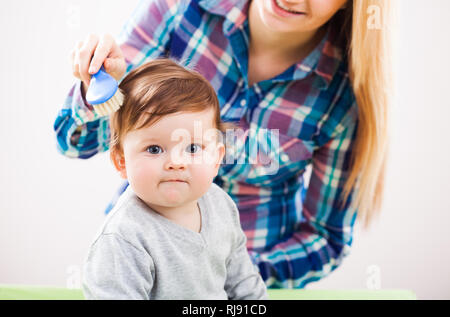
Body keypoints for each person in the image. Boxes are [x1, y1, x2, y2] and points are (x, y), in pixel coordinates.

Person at [55, 0, 392, 288]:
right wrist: (100, 92)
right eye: (158, 149)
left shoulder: (343, 97)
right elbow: (75, 142)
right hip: (141, 269)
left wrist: (233, 273)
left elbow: (324, 237)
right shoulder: (181, 9)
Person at [82, 58, 268, 300]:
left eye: (192, 148)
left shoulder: (220, 205)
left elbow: (244, 285)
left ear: (215, 159)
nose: (176, 162)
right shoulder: (124, 238)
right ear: (122, 162)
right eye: (154, 149)